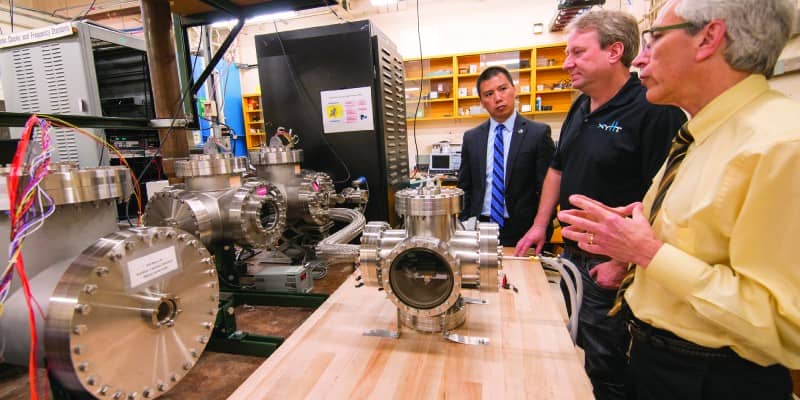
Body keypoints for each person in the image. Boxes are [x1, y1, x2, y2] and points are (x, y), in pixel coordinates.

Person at [557, 0, 799, 399]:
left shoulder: (780, 146)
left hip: (711, 378)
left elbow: (783, 324)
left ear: (708, 38)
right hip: (654, 359)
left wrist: (648, 253)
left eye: (654, 39)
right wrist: (630, 252)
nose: (640, 60)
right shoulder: (702, 134)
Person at [513, 9, 687, 400]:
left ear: (614, 52)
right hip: (574, 252)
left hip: (613, 263)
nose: (567, 62)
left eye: (577, 52)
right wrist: (542, 225)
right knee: (575, 341)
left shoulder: (653, 109)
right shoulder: (580, 106)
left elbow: (665, 194)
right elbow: (557, 169)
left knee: (605, 358)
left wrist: (622, 263)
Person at [457, 66, 554, 246]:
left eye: (503, 89)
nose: (498, 98)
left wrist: (542, 226)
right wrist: (465, 223)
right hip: (480, 227)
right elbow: (465, 187)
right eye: (488, 94)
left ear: (514, 90)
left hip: (523, 230)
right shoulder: (472, 138)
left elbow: (548, 187)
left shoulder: (537, 134)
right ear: (482, 102)